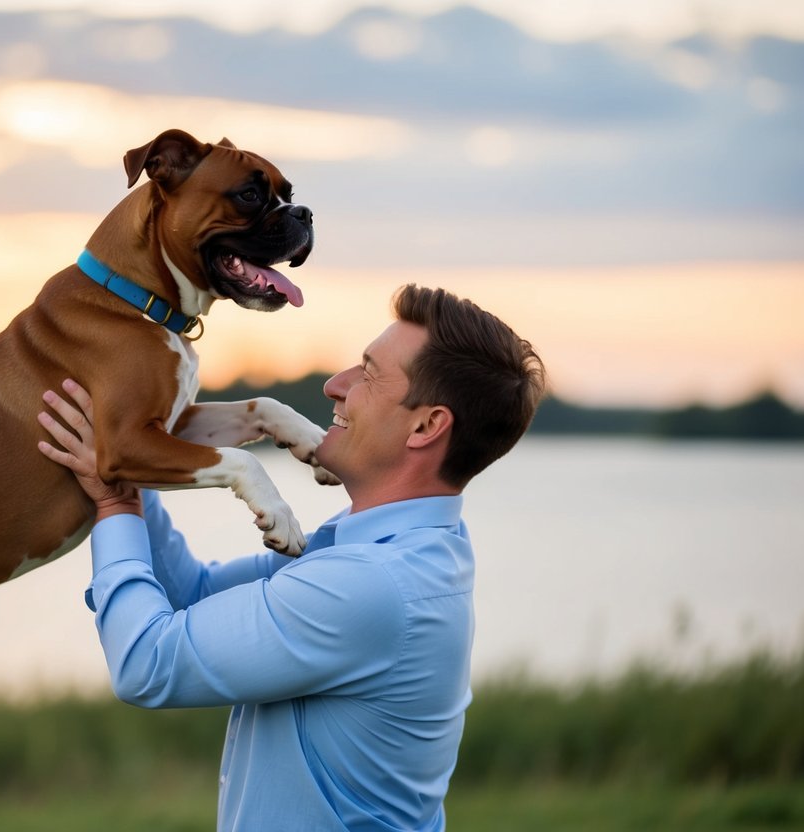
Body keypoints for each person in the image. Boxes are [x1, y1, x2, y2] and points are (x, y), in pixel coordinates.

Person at [37, 284, 546, 831]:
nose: (336, 385)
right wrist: (127, 457)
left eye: (368, 374)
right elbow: (194, 597)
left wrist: (113, 501)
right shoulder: (379, 552)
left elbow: (147, 663)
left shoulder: (372, 585)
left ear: (426, 426)